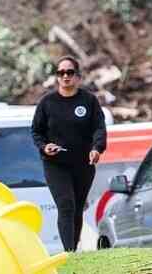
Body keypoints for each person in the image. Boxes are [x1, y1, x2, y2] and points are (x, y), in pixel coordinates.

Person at [31, 55, 107, 252]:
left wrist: (96, 148)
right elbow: (36, 131)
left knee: (77, 208)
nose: (65, 76)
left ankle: (74, 249)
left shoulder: (88, 101)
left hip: (83, 164)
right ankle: (69, 251)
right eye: (61, 73)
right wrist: (44, 147)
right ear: (57, 77)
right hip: (55, 164)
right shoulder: (47, 103)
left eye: (70, 72)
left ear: (78, 77)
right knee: (66, 205)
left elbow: (99, 128)